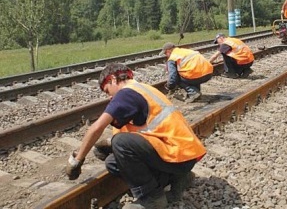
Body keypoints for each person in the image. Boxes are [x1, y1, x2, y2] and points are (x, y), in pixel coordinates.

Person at [65, 63, 206, 209]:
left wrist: (77, 160)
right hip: (182, 154)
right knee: (113, 162)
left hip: (177, 155)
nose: (109, 96)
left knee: (121, 143)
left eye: (107, 91)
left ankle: (152, 199)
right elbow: (143, 131)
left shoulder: (126, 92)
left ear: (113, 79)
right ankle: (179, 178)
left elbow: (96, 128)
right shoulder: (144, 89)